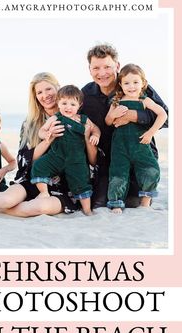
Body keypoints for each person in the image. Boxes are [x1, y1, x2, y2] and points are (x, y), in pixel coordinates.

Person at [0, 73, 97, 216]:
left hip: (66, 185)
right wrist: (48, 139)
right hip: (34, 178)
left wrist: (88, 137)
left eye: (49, 89)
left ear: (58, 88)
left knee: (40, 207)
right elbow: (25, 160)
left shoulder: (79, 119)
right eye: (39, 92)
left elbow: (93, 161)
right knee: (6, 199)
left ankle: (0, 208)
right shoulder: (30, 124)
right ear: (36, 97)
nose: (45, 95)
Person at [81, 43, 168, 209]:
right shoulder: (85, 94)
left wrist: (134, 116)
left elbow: (167, 118)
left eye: (107, 67)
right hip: (111, 158)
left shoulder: (136, 85)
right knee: (100, 203)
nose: (102, 73)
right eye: (96, 68)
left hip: (140, 151)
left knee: (133, 202)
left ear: (117, 66)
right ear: (90, 69)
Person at [105, 64, 167, 213]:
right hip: (120, 146)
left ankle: (145, 202)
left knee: (150, 169)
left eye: (135, 82)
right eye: (126, 83)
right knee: (118, 173)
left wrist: (151, 132)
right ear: (120, 84)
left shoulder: (144, 101)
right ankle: (116, 203)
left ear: (143, 83)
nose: (131, 86)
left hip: (141, 143)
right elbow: (107, 121)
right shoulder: (116, 101)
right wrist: (113, 115)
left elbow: (163, 114)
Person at [30, 85, 100, 215]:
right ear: (58, 103)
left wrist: (95, 135)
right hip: (57, 156)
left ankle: (87, 210)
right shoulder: (56, 118)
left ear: (80, 105)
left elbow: (95, 129)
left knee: (82, 182)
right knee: (39, 166)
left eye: (73, 104)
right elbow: (42, 130)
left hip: (76, 160)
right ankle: (44, 193)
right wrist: (46, 134)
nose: (68, 107)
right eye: (64, 103)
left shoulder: (83, 120)